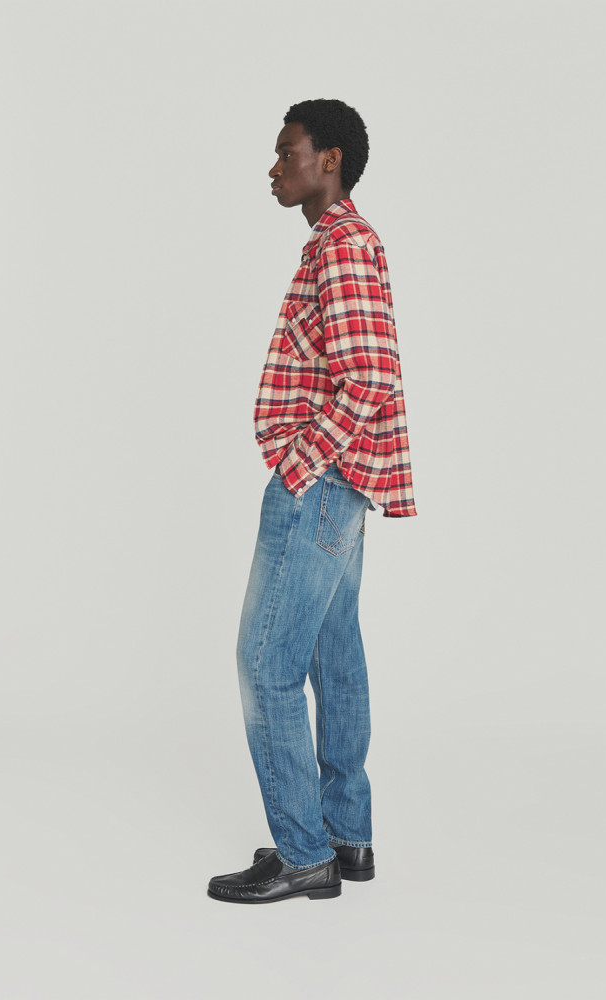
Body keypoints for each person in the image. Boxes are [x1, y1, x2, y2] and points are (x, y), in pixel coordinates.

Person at [207, 99, 417, 904]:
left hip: (321, 485)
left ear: (328, 159)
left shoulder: (342, 247)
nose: (274, 168)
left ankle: (302, 854)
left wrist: (300, 466)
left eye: (285, 152)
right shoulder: (338, 244)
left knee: (265, 664)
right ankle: (345, 838)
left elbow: (370, 376)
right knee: (334, 656)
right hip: (341, 484)